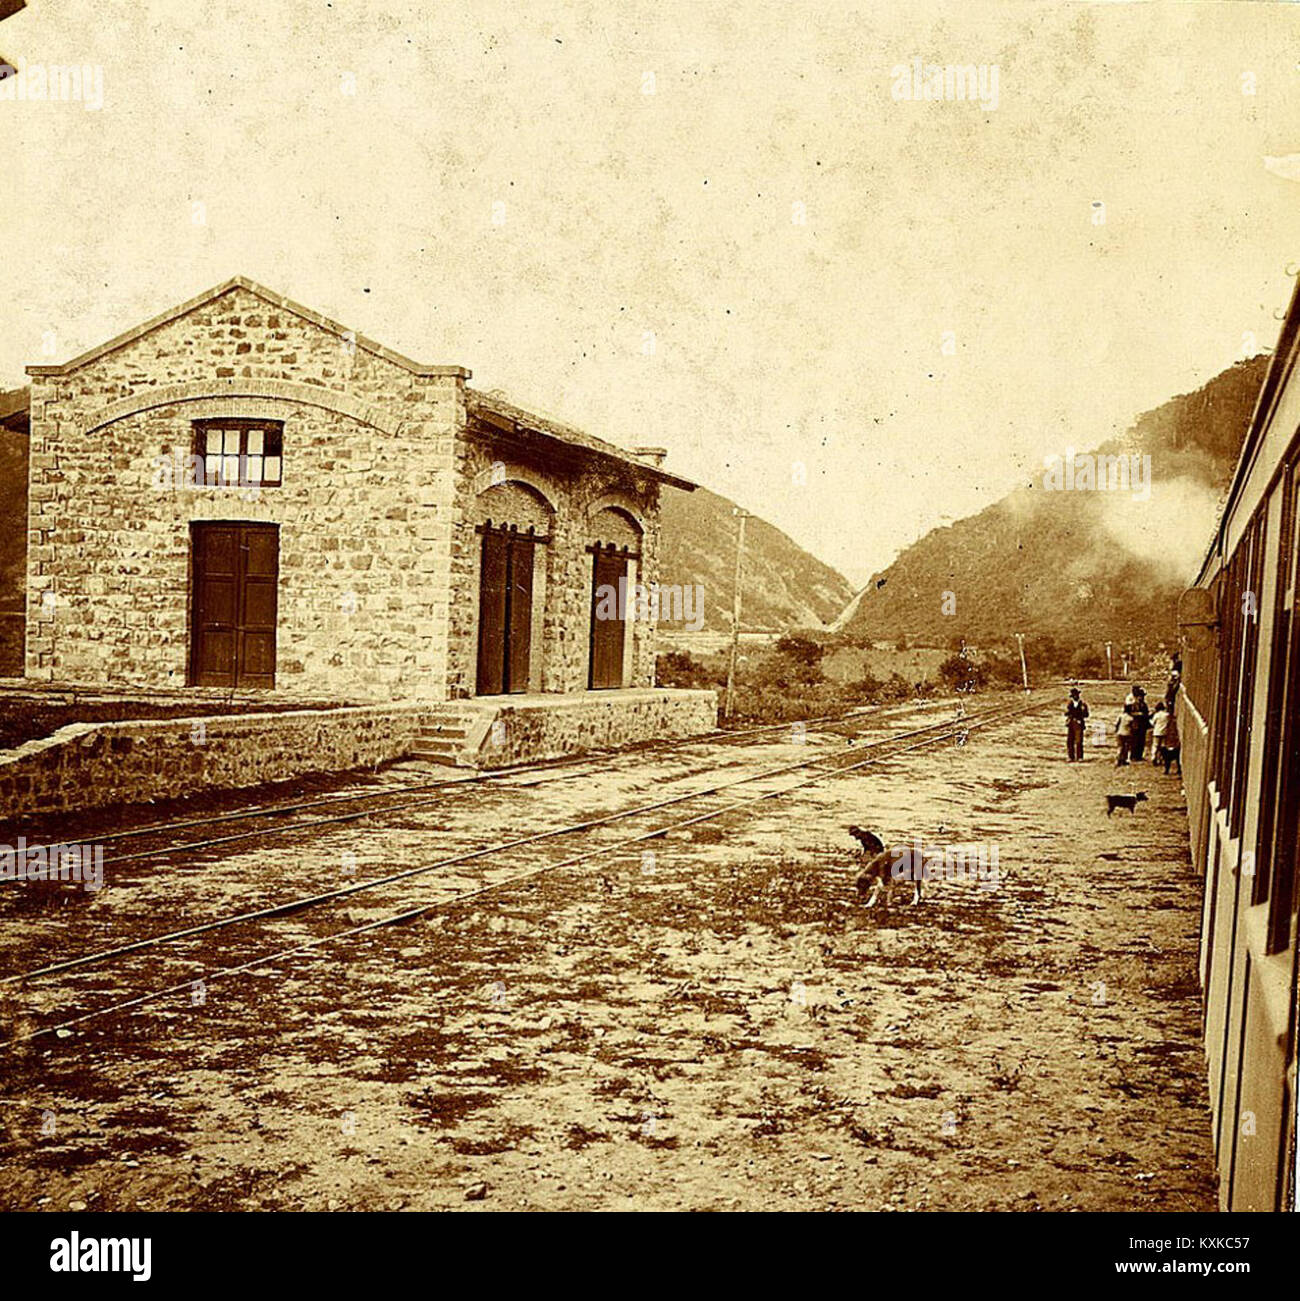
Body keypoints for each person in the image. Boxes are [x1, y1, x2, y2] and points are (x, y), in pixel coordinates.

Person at [1154, 701, 1182, 775]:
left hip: (1156, 732)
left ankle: (1155, 759)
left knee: (1155, 746)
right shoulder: (1166, 715)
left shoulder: (1156, 715)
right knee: (1162, 744)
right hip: (1164, 732)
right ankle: (1160, 760)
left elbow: (1153, 722)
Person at [1065, 687, 1089, 761]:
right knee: (1070, 740)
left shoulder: (1083, 704)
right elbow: (1066, 713)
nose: (1074, 697)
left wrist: (1082, 713)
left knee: (1079, 741)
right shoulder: (1070, 704)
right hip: (1071, 723)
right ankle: (1071, 756)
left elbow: (1086, 715)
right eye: (1073, 696)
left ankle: (1079, 757)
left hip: (1079, 723)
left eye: (1075, 695)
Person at [1129, 686, 1151, 762]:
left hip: (1142, 725)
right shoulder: (1133, 705)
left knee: (1141, 741)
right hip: (1136, 725)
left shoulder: (1144, 705)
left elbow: (1146, 714)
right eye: (1140, 696)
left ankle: (1139, 756)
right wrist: (1138, 714)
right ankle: (1134, 756)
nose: (1141, 698)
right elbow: (1130, 714)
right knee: (1134, 741)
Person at [1115, 702, 1135, 766]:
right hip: (1127, 733)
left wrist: (1116, 730)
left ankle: (1118, 759)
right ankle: (1124, 759)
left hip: (1120, 733)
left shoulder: (1121, 716)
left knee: (1120, 747)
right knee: (1126, 748)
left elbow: (1117, 724)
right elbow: (1133, 727)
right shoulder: (1131, 718)